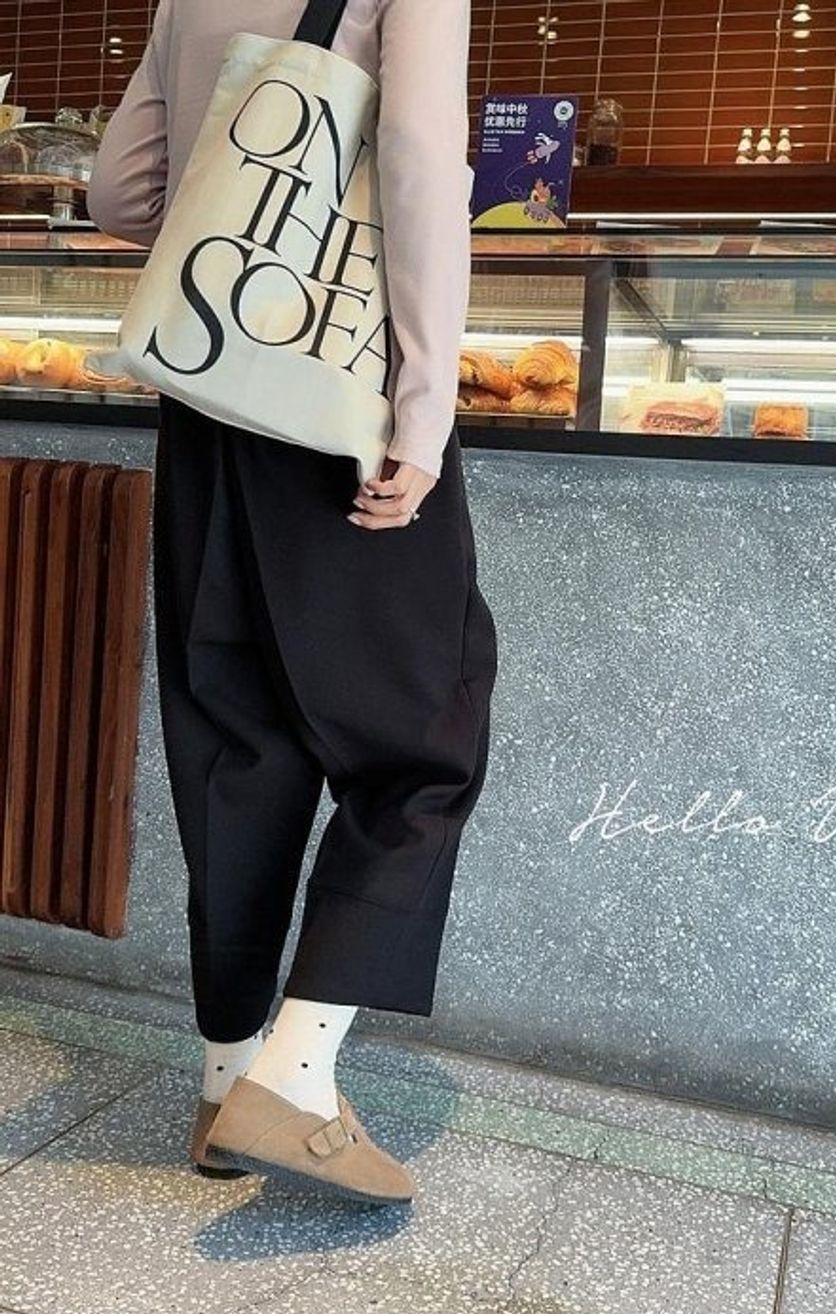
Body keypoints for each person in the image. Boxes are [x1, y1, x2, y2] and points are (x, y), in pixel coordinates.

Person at [86, 0, 497, 1206]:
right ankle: (297, 1075)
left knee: (236, 731)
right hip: (339, 395)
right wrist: (424, 409)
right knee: (423, 738)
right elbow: (416, 166)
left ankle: (224, 1078)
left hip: (211, 387)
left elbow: (121, 193)